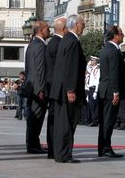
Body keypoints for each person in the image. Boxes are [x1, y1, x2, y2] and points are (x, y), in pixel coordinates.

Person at [50, 15, 86, 163]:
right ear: (76, 25)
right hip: (68, 91)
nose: (84, 26)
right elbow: (70, 67)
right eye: (83, 24)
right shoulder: (72, 41)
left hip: (61, 89)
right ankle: (64, 154)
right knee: (67, 124)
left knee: (62, 123)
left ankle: (60, 153)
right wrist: (71, 90)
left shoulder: (66, 40)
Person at [98, 26, 125, 158]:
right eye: (121, 33)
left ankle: (102, 147)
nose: (123, 35)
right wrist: (116, 92)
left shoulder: (105, 49)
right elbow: (114, 73)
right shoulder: (114, 51)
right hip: (111, 91)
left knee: (104, 121)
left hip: (104, 89)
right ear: (115, 35)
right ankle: (106, 148)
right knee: (108, 121)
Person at [24, 21, 50, 154]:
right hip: (37, 88)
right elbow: (40, 69)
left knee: (33, 117)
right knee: (36, 118)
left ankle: (33, 143)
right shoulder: (40, 46)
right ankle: (33, 145)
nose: (49, 30)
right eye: (47, 28)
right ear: (41, 30)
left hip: (31, 87)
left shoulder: (31, 45)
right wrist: (41, 88)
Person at [45, 17, 67, 159]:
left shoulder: (52, 42)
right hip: (57, 87)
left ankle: (52, 148)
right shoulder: (59, 43)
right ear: (64, 29)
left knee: (52, 119)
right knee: (57, 120)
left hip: (51, 86)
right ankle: (55, 148)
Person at [87, 56, 100, 127]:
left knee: (95, 106)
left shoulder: (97, 70)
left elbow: (98, 81)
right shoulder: (92, 69)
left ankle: (95, 121)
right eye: (91, 60)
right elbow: (87, 68)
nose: (91, 61)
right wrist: (89, 64)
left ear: (96, 61)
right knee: (91, 105)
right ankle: (93, 120)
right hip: (90, 89)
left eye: (92, 60)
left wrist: (96, 91)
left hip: (94, 88)